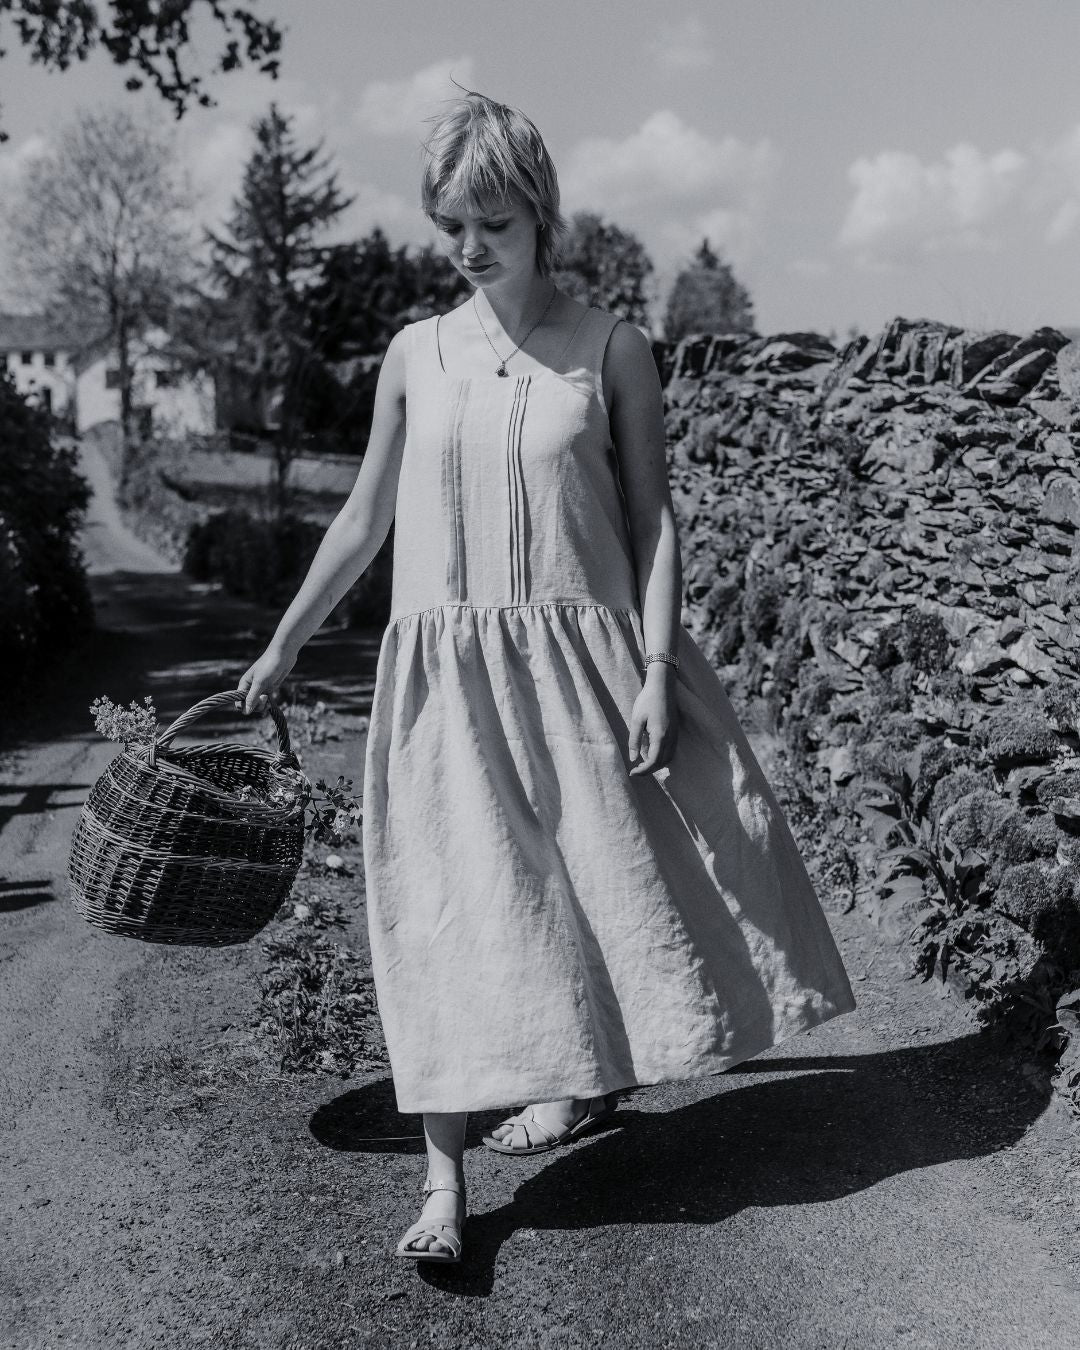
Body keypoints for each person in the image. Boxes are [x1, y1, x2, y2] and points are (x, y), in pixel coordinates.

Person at [237, 89, 857, 1265]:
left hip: (584, 663)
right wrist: (284, 639)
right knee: (447, 914)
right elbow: (365, 517)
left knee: (604, 888)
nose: (470, 248)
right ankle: (444, 1191)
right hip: (443, 678)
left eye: (495, 224)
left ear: (540, 218)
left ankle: (574, 1078)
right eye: (451, 225)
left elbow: (653, 523)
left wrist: (656, 668)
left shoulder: (613, 348)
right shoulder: (413, 355)